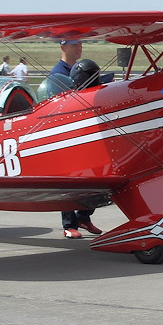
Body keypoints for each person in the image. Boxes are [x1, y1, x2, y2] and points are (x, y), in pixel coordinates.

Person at [51, 44, 101, 239]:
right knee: (70, 179)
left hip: (88, 133)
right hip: (66, 134)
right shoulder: (57, 74)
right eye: (74, 44)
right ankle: (69, 224)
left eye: (80, 44)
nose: (79, 48)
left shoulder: (82, 68)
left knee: (97, 177)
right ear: (63, 46)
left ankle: (84, 217)